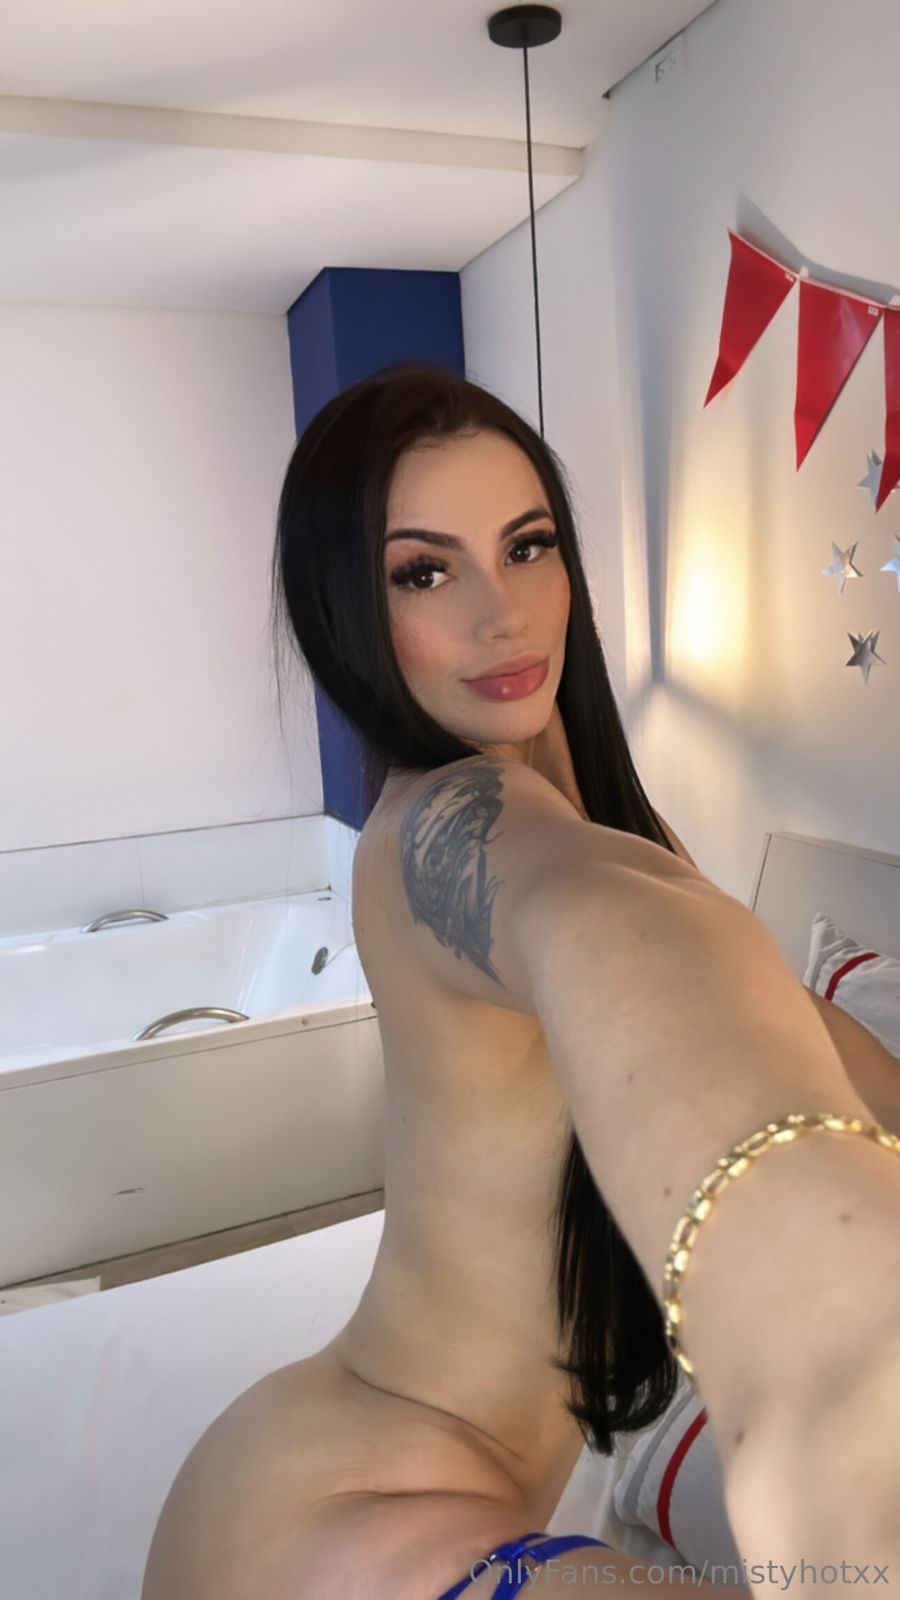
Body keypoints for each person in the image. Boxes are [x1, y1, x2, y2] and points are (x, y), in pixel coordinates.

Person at [141, 364, 900, 1599]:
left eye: (528, 545)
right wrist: (831, 1345)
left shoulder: (617, 835)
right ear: (347, 609)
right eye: (423, 572)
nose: (503, 612)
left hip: (362, 1483)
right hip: (340, 1516)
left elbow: (756, 1019)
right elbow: (599, 927)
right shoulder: (444, 827)